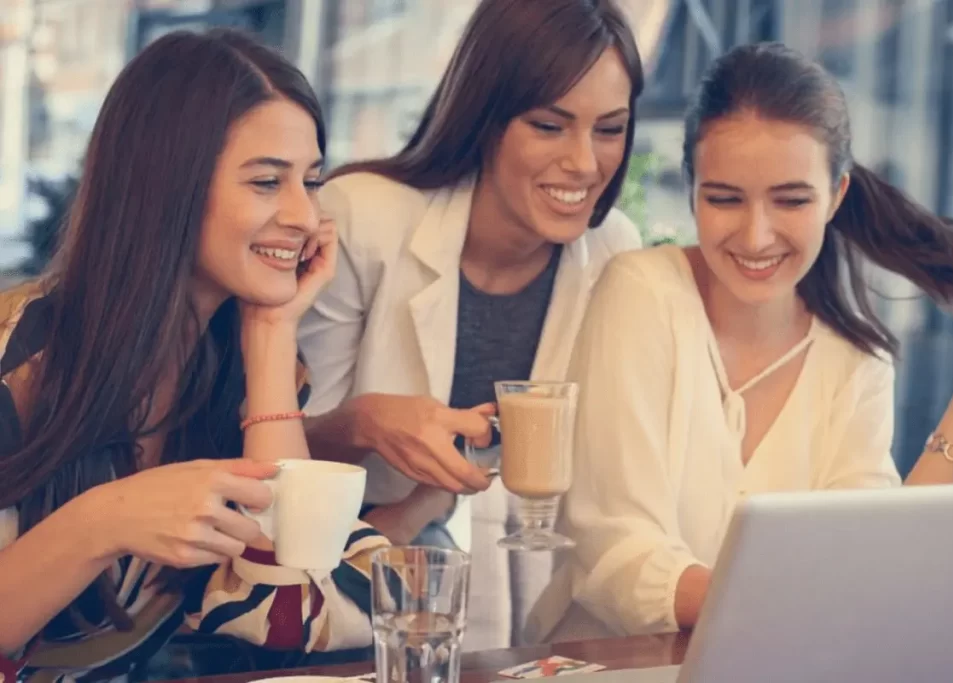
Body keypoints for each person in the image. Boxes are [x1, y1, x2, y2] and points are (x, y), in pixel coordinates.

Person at [525, 41, 953, 643]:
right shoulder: (642, 293)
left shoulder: (856, 360)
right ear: (692, 191)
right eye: (725, 198)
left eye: (790, 200)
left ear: (836, 195)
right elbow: (617, 551)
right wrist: (803, 604)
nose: (756, 236)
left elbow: (878, 554)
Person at [0, 30, 387, 682]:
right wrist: (103, 522)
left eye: (312, 181)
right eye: (268, 181)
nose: (304, 214)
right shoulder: (20, 358)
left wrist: (271, 332)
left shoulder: (252, 371)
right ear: (166, 188)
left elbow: (287, 605)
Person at [298, 0, 644, 552]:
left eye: (610, 129)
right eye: (550, 126)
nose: (584, 162)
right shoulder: (364, 218)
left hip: (499, 562)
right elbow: (285, 457)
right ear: (485, 120)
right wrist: (366, 422)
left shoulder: (613, 249)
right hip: (332, 547)